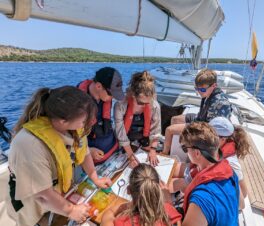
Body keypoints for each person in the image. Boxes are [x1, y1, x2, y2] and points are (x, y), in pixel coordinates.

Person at [6, 86, 112, 226]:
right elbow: (43, 195)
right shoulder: (29, 145)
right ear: (63, 121)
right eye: (83, 121)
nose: (87, 124)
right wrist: (71, 210)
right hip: (36, 204)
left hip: (59, 195)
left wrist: (95, 178)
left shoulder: (74, 128)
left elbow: (84, 151)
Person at [167, 122, 239, 226]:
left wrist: (167, 203)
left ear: (197, 153)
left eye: (185, 149)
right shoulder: (231, 174)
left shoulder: (202, 198)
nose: (186, 152)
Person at [162, 69, 232, 155]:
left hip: (206, 129)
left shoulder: (220, 103)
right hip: (201, 119)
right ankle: (173, 151)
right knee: (174, 119)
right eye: (197, 89)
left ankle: (164, 154)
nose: (199, 92)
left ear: (214, 86)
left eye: (202, 90)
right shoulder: (208, 93)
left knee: (169, 130)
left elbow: (213, 130)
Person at [101, 163, 181, 226]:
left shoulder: (122, 222)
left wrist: (131, 205)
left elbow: (109, 213)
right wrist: (169, 204)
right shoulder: (171, 214)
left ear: (129, 190)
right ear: (158, 190)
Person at [77, 67, 124, 164]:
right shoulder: (77, 101)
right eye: (111, 94)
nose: (113, 97)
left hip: (113, 153)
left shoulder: (105, 96)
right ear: (98, 86)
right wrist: (88, 150)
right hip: (92, 159)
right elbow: (69, 135)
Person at [114, 71, 161, 167]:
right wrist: (131, 156)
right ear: (133, 95)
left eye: (147, 103)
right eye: (141, 102)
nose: (144, 105)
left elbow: (156, 131)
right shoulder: (120, 105)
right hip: (125, 141)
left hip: (144, 140)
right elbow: (121, 134)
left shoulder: (154, 106)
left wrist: (153, 150)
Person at [209, 117, 250, 208]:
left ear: (222, 139)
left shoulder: (230, 163)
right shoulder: (217, 149)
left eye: (209, 135)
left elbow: (243, 193)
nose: (205, 138)